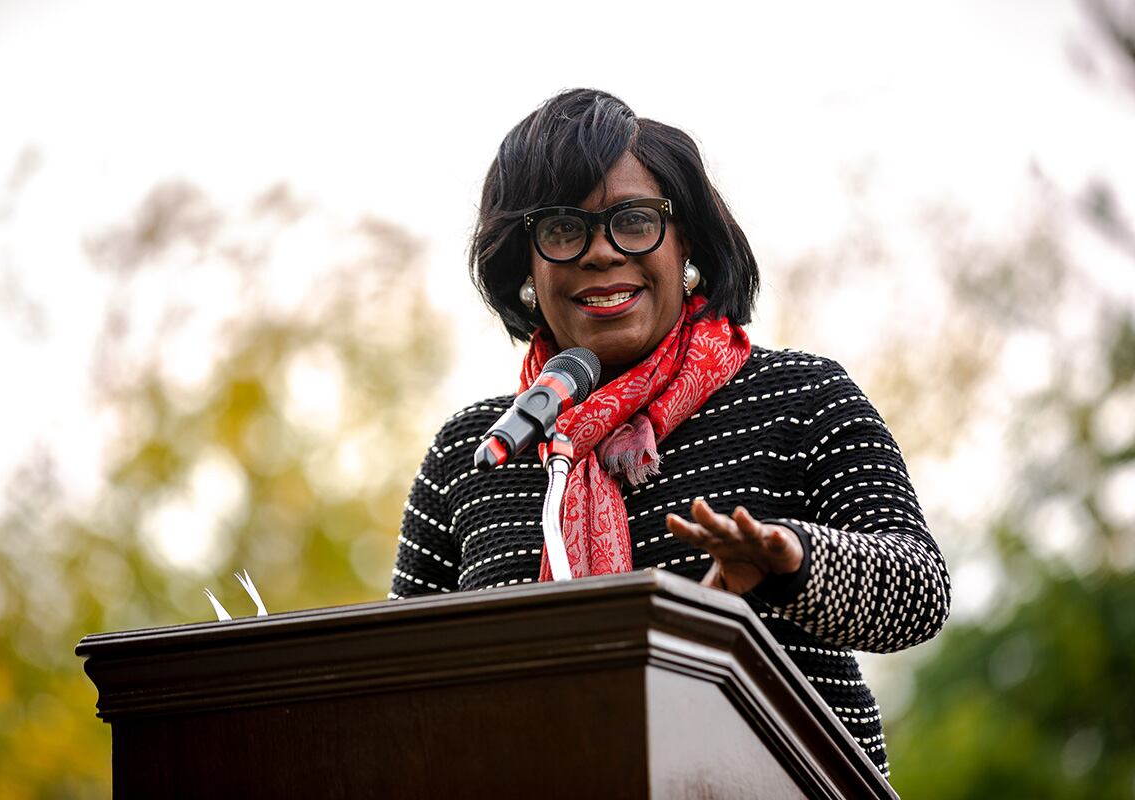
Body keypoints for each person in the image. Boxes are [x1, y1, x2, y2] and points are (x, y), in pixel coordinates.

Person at [389, 88, 950, 779]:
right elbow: (399, 691)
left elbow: (919, 596)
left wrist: (791, 561)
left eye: (633, 221)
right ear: (524, 267)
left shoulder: (799, 397)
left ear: (687, 243)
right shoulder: (476, 451)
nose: (601, 253)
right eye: (563, 228)